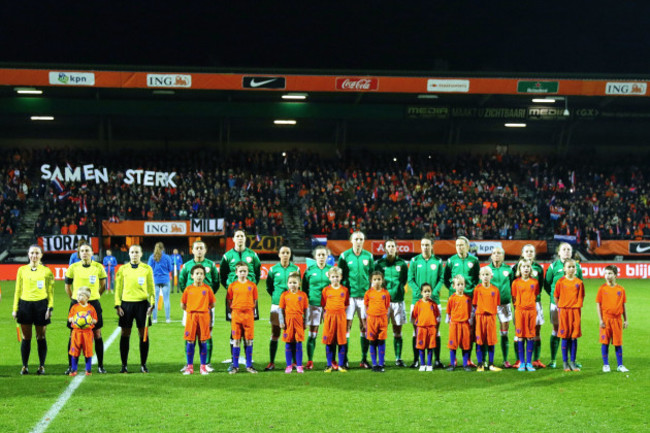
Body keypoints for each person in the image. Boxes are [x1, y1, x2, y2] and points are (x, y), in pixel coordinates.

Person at [220, 230, 261, 371]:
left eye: (242, 236)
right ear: (233, 239)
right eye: (237, 236)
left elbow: (257, 271)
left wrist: (250, 287)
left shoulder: (252, 255)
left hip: (248, 298)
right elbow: (223, 274)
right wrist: (232, 287)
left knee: (248, 330)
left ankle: (248, 361)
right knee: (234, 331)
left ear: (245, 238)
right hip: (235, 298)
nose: (239, 238)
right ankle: (234, 361)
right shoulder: (227, 256)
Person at [64, 243, 107, 374]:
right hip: (76, 305)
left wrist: (94, 296)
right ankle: (71, 366)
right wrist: (74, 300)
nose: (84, 253)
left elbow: (103, 285)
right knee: (73, 334)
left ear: (92, 253)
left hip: (93, 303)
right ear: (79, 253)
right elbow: (67, 286)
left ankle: (100, 366)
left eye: (87, 250)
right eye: (82, 251)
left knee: (97, 334)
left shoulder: (98, 267)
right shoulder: (73, 267)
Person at [12, 245, 54, 375]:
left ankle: (41, 366)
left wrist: (50, 307)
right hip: (25, 305)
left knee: (41, 336)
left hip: (41, 305)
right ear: (28, 254)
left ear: (41, 255)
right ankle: (25, 366)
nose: (34, 256)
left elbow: (50, 292)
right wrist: (15, 308)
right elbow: (17, 290)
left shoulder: (47, 271)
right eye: (32, 253)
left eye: (37, 253)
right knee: (26, 337)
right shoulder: (22, 270)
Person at [179, 240, 219, 372]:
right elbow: (182, 283)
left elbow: (216, 282)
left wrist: (206, 300)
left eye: (202, 248)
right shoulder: (186, 266)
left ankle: (207, 363)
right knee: (189, 335)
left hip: (206, 307)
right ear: (192, 250)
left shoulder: (211, 265)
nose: (199, 250)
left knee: (208, 334)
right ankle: (188, 364)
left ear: (205, 250)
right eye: (197, 248)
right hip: (191, 307)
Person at [115, 244, 155, 373]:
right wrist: (117, 304)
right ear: (129, 254)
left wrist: (152, 304)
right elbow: (118, 289)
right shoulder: (123, 269)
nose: (134, 254)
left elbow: (151, 288)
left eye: (137, 252)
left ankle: (143, 365)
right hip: (126, 305)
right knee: (125, 334)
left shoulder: (147, 269)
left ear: (141, 254)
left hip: (142, 305)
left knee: (143, 334)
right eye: (132, 252)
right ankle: (124, 366)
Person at [407, 235, 444, 368]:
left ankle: (437, 360)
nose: (425, 247)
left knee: (435, 330)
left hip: (434, 301)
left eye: (427, 245)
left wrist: (433, 293)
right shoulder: (414, 260)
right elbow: (410, 279)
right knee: (417, 330)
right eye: (423, 245)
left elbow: (441, 278)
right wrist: (419, 293)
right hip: (417, 301)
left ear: (432, 246)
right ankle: (416, 360)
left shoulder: (438, 261)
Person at [544, 242, 583, 368]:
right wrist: (554, 298)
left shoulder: (577, 267)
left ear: (571, 252)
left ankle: (572, 360)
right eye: (564, 249)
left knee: (572, 332)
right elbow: (547, 283)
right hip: (556, 304)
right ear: (559, 252)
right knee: (556, 330)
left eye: (568, 249)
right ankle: (553, 360)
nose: (566, 251)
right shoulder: (553, 266)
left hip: (571, 306)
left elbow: (580, 285)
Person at [338, 230, 374, 369]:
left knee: (364, 326)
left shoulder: (369, 256)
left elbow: (372, 276)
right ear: (351, 240)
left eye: (361, 239)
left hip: (364, 296)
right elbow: (340, 275)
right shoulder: (344, 256)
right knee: (346, 326)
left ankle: (364, 359)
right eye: (356, 239)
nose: (359, 241)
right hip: (350, 296)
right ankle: (345, 359)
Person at [444, 236, 480, 367]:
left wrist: (470, 289)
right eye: (457, 245)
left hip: (469, 300)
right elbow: (446, 277)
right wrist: (454, 290)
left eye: (462, 245)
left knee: (469, 331)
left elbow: (477, 278)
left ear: (467, 246)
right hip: (455, 301)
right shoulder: (451, 260)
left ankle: (468, 359)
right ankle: (453, 360)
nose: (459, 247)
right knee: (453, 329)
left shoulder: (474, 260)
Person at [265, 245, 300, 371]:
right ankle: (272, 362)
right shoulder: (273, 269)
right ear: (279, 255)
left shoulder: (295, 268)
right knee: (275, 332)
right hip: (276, 304)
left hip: (292, 305)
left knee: (292, 333)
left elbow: (299, 287)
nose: (285, 254)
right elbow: (269, 287)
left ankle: (294, 362)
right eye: (283, 252)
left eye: (287, 252)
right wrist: (277, 297)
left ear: (290, 255)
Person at [374, 240, 408, 367]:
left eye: (393, 246)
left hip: (398, 301)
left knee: (397, 331)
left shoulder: (402, 264)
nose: (391, 248)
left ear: (396, 248)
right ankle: (380, 359)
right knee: (381, 331)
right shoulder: (379, 264)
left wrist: (397, 290)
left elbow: (404, 281)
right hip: (383, 303)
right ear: (384, 248)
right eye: (388, 246)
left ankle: (398, 358)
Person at [512, 244, 546, 368]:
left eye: (532, 251)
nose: (529, 253)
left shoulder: (539, 268)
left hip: (534, 304)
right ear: (522, 253)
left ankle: (535, 359)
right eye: (527, 251)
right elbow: (514, 291)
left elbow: (539, 287)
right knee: (519, 333)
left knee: (536, 331)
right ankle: (519, 360)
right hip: (520, 306)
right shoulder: (516, 267)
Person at [181, 264, 216, 375]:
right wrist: (191, 310)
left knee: (203, 341)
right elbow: (182, 304)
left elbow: (213, 303)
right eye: (197, 274)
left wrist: (204, 309)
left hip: (204, 317)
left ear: (204, 276)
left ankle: (203, 367)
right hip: (191, 317)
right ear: (192, 276)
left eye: (201, 274)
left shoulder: (207, 289)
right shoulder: (188, 289)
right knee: (190, 341)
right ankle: (190, 367)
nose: (199, 276)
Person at [302, 245, 332, 370]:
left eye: (323, 255)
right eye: (319, 255)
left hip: (328, 307)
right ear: (315, 257)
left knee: (330, 334)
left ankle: (331, 361)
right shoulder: (309, 271)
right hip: (313, 305)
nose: (321, 257)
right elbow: (304, 288)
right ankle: (310, 360)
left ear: (327, 256)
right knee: (312, 334)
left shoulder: (331, 271)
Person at [226, 262, 259, 374]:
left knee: (248, 340)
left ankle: (249, 365)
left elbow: (255, 300)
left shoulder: (252, 286)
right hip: (236, 315)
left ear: (248, 272)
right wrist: (233, 311)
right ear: (236, 272)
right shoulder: (232, 286)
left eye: (245, 271)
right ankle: (235, 366)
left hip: (248, 315)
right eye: (240, 271)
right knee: (236, 340)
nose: (243, 273)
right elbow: (229, 300)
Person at [596, 265, 629, 373]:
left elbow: (623, 306)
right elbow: (598, 304)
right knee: (605, 342)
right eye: (606, 274)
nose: (607, 276)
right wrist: (600, 319)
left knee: (618, 343)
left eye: (610, 273)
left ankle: (620, 365)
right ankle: (606, 365)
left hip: (617, 320)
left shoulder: (621, 289)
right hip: (606, 320)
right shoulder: (602, 289)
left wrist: (626, 320)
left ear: (615, 275)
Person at [554, 259, 585, 372]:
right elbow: (556, 296)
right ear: (564, 269)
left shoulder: (579, 283)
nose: (571, 269)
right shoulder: (560, 282)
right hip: (564, 311)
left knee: (574, 336)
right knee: (565, 336)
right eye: (569, 267)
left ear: (576, 269)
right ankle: (565, 362)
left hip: (575, 312)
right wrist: (561, 307)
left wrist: (576, 307)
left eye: (573, 267)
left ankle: (572, 362)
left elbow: (581, 297)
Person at [488, 247, 515, 368]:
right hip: (490, 305)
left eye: (499, 253)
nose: (496, 255)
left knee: (504, 333)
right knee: (489, 333)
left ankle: (505, 360)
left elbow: (513, 286)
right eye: (494, 253)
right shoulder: (487, 270)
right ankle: (488, 360)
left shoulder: (508, 269)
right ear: (491, 256)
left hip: (504, 304)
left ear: (503, 256)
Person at [511, 259, 539, 372]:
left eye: (528, 266)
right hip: (520, 311)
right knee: (520, 336)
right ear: (519, 269)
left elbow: (535, 295)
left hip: (531, 311)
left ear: (530, 268)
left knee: (531, 336)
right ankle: (522, 363)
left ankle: (529, 362)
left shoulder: (535, 282)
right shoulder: (515, 283)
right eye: (524, 266)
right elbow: (514, 297)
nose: (526, 268)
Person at [473, 266, 502, 372]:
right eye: (483, 275)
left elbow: (497, 304)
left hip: (491, 318)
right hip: (480, 317)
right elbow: (475, 304)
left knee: (491, 340)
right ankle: (480, 364)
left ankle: (491, 364)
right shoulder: (477, 289)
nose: (485, 277)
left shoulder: (495, 290)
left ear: (491, 276)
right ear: (480, 276)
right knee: (480, 340)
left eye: (487, 275)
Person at [321, 266, 349, 373]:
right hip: (329, 318)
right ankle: (329, 365)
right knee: (329, 341)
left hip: (341, 317)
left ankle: (341, 365)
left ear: (341, 277)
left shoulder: (345, 290)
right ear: (329, 278)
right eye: (333, 277)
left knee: (341, 341)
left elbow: (346, 304)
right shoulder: (326, 290)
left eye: (337, 277)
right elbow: (323, 304)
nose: (335, 279)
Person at [279, 272, 308, 373]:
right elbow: (281, 309)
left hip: (299, 321)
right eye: (290, 282)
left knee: (299, 342)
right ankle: (289, 365)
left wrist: (306, 321)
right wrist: (281, 322)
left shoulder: (303, 295)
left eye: (295, 282)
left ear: (299, 284)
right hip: (288, 321)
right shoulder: (284, 295)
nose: (293, 285)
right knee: (288, 343)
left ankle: (299, 365)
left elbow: (306, 310)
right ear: (287, 284)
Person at [67, 287, 98, 376]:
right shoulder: (74, 307)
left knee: (88, 352)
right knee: (74, 352)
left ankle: (88, 370)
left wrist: (91, 320)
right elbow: (69, 318)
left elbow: (95, 320)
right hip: (76, 333)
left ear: (87, 298)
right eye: (78, 295)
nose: (78, 297)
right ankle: (73, 370)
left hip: (87, 333)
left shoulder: (91, 308)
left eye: (81, 295)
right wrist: (72, 319)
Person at [364, 271, 391, 372]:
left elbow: (387, 306)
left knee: (381, 340)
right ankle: (374, 364)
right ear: (371, 280)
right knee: (372, 341)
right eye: (375, 279)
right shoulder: (368, 293)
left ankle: (381, 363)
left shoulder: (385, 293)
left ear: (382, 280)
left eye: (379, 279)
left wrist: (385, 318)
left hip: (382, 319)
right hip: (371, 319)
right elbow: (366, 305)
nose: (377, 281)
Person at [446, 275, 472, 372]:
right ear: (454, 286)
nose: (460, 286)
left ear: (464, 286)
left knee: (465, 344)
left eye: (462, 284)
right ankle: (452, 364)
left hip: (464, 324)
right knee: (453, 345)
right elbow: (449, 311)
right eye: (458, 284)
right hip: (454, 324)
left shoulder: (467, 299)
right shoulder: (451, 298)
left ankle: (465, 364)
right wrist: (452, 322)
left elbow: (469, 311)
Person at [411, 283, 440, 372]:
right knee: (421, 346)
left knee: (430, 347)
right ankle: (422, 364)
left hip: (431, 329)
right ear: (421, 293)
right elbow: (415, 315)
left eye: (429, 291)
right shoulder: (418, 304)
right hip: (421, 329)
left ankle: (429, 364)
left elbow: (436, 314)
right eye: (425, 291)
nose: (427, 293)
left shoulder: (433, 304)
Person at [148, 242, 173, 324]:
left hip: (155, 280)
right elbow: (170, 268)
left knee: (155, 300)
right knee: (166, 300)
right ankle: (168, 319)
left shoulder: (152, 257)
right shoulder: (167, 257)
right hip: (165, 279)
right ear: (163, 248)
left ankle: (154, 319)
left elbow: (149, 269)